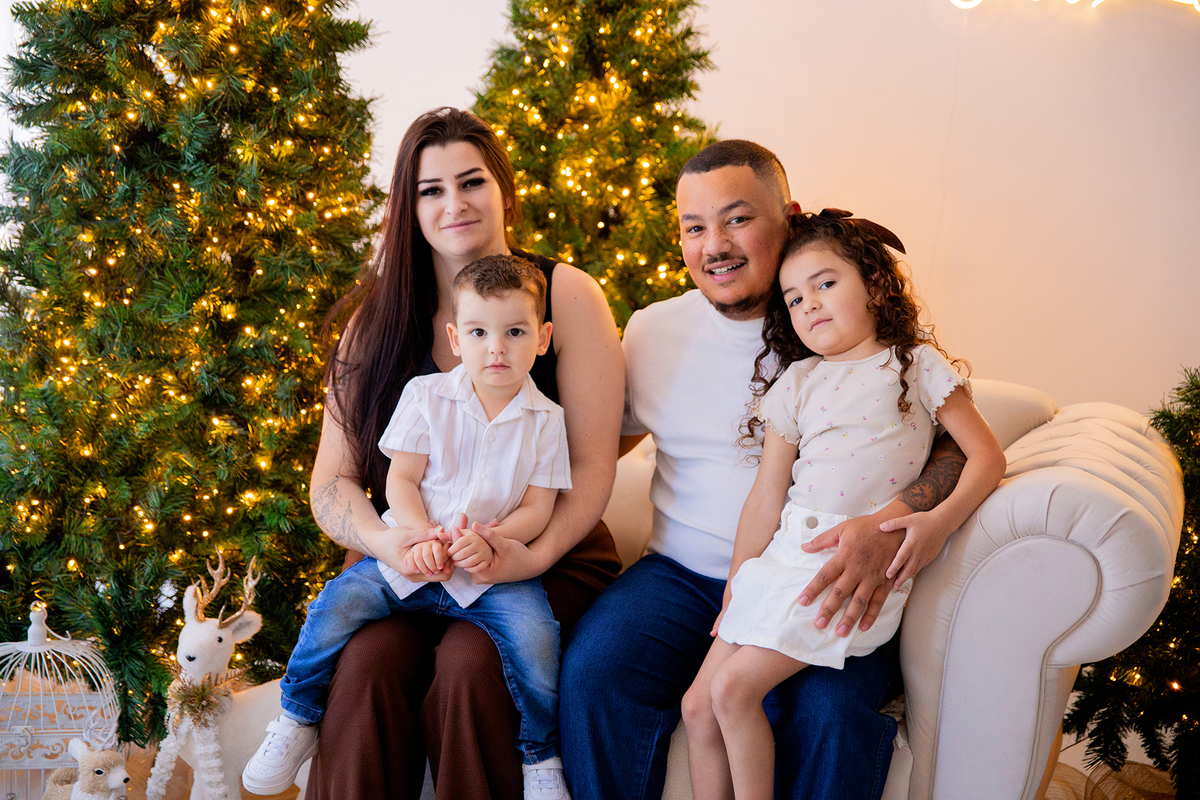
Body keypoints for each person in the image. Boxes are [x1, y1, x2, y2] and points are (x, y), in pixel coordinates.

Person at [558, 140, 969, 800]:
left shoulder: (840, 318)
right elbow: (595, 450)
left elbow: (955, 444)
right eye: (694, 228)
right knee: (595, 672)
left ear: (790, 216)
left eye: (737, 218)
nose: (713, 245)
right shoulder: (651, 331)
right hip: (681, 575)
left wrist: (889, 524)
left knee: (829, 713)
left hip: (824, 571)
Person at [302, 108, 624, 800]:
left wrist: (527, 557)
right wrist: (387, 541)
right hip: (413, 556)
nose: (454, 204)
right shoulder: (374, 320)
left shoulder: (565, 296)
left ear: (504, 188)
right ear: (407, 206)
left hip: (542, 555)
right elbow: (333, 483)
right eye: (430, 190)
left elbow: (595, 469)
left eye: (472, 181)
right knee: (365, 666)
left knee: (473, 664)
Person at [680, 210, 1007, 800]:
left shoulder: (915, 365)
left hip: (845, 569)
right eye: (794, 297)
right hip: (780, 559)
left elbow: (987, 458)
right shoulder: (798, 382)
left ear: (876, 286)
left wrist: (934, 525)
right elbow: (766, 496)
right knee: (697, 706)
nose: (809, 304)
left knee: (732, 693)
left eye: (825, 284)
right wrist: (739, 579)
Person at [243, 256, 577, 798]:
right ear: (454, 338)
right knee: (335, 606)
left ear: (541, 339)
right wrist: (416, 536)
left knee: (537, 639)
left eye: (514, 332)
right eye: (479, 332)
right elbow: (401, 480)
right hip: (411, 557)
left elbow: (540, 507)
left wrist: (495, 541)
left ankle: (540, 756)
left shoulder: (547, 420)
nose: (497, 347)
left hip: (487, 569)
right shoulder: (426, 396)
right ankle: (296, 715)